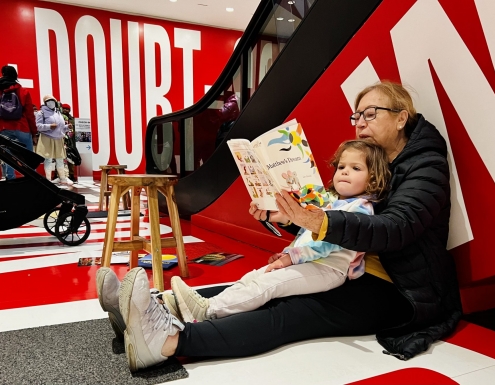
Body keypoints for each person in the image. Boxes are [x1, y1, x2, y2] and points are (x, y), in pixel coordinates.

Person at [96, 81, 461, 372]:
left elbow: (397, 229)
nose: (360, 122)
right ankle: (150, 310)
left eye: (370, 113)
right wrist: (288, 218)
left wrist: (319, 220)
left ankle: (166, 343)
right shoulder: (371, 160)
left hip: (399, 288)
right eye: (356, 115)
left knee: (287, 311)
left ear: (401, 118)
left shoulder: (425, 165)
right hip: (351, 266)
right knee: (258, 283)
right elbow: (328, 229)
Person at [169, 140, 391, 323]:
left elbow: (327, 243)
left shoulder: (361, 207)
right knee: (254, 277)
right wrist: (288, 250)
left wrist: (289, 259)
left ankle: (208, 310)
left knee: (270, 284)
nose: (344, 172)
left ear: (372, 178)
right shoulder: (329, 200)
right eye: (341, 167)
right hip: (307, 262)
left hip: (329, 269)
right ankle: (201, 304)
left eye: (356, 168)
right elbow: (305, 233)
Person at [0, 65, 38, 180]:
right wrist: (34, 133)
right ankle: (32, 181)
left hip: (4, 128)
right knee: (29, 158)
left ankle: (10, 180)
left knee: (8, 156)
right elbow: (30, 115)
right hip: (23, 128)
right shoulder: (23, 91)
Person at [35, 95, 73, 186]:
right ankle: (48, 179)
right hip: (47, 138)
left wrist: (67, 127)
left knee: (60, 159)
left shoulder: (58, 112)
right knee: (48, 159)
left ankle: (63, 178)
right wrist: (49, 126)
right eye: (48, 101)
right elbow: (38, 126)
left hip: (58, 139)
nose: (51, 103)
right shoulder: (41, 113)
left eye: (52, 101)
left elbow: (60, 127)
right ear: (45, 103)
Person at [61, 103, 77, 182]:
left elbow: (75, 130)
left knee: (71, 158)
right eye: (64, 108)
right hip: (60, 140)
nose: (65, 110)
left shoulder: (73, 119)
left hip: (70, 141)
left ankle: (71, 175)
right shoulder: (58, 117)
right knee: (59, 158)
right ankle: (58, 175)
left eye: (67, 109)